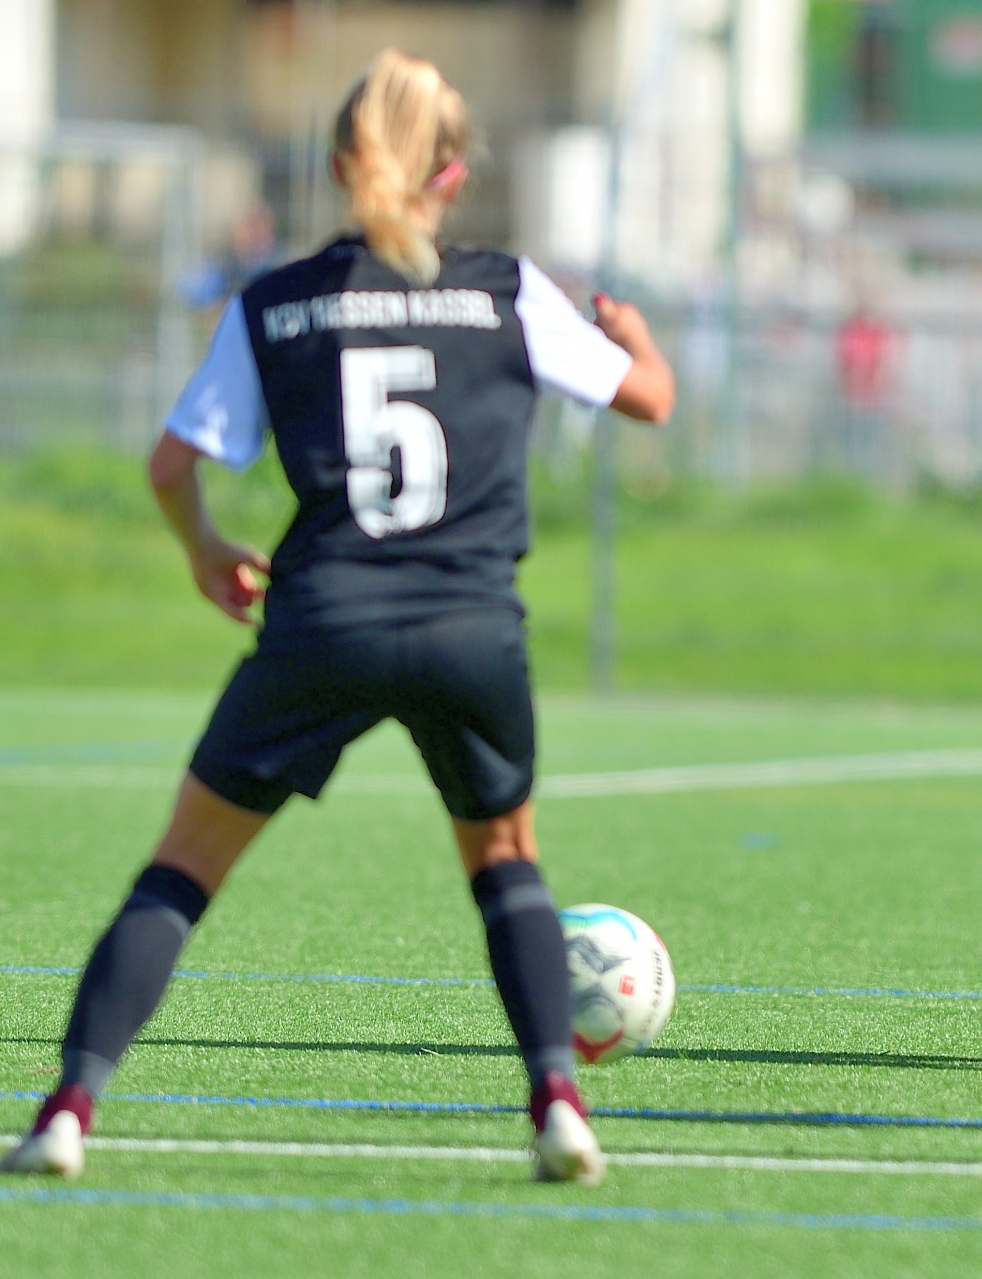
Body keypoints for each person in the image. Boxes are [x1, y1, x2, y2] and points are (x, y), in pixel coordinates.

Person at [1, 49, 675, 1181]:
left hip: (323, 621)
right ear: (452, 176)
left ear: (335, 166)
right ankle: (559, 1103)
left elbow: (171, 463)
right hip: (471, 630)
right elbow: (647, 399)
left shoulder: (276, 302)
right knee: (506, 860)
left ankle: (65, 1112)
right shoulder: (508, 289)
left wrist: (208, 551)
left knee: (182, 868)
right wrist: (639, 336)